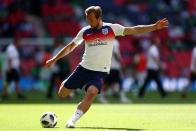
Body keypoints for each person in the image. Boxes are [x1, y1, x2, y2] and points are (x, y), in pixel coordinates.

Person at [45, 6, 168, 128]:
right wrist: (54, 59)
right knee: (62, 94)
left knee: (92, 92)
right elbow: (70, 46)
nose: (89, 22)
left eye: (91, 19)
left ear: (99, 18)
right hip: (84, 68)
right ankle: (75, 87)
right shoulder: (85, 31)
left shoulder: (111, 28)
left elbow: (134, 29)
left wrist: (154, 27)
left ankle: (72, 120)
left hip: (100, 71)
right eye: (87, 19)